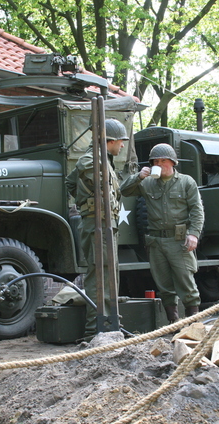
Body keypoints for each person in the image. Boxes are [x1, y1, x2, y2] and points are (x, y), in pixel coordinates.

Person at [120, 143, 204, 323]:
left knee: (186, 283)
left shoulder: (186, 182)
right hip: (156, 242)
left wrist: (194, 234)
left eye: (163, 160)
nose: (159, 164)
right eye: (156, 161)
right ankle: (173, 325)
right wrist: (138, 176)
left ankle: (194, 325)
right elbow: (124, 191)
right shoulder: (147, 182)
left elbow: (197, 210)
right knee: (164, 286)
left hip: (179, 240)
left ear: (173, 162)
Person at [65, 118, 128, 338]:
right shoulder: (92, 160)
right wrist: (88, 205)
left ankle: (109, 325)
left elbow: (71, 183)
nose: (122, 146)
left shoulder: (104, 160)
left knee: (110, 274)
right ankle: (96, 330)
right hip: (97, 224)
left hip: (105, 223)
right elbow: (75, 183)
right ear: (110, 140)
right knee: (100, 276)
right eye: (121, 141)